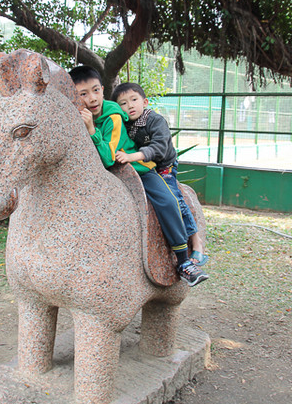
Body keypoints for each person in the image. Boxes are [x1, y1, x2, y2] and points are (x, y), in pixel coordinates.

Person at [69, 66, 208, 287]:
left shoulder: (112, 116)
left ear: (103, 90)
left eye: (96, 90)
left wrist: (91, 131)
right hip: (99, 174)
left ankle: (183, 262)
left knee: (167, 200)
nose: (92, 99)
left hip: (134, 169)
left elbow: (109, 158)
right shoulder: (76, 115)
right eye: (83, 94)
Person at [112, 81, 209, 267]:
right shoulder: (124, 124)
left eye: (134, 99)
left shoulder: (155, 121)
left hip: (163, 166)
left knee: (174, 199)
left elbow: (158, 148)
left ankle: (197, 243)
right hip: (143, 167)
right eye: (123, 103)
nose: (130, 105)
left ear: (145, 101)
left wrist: (132, 157)